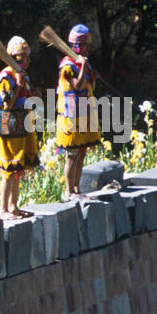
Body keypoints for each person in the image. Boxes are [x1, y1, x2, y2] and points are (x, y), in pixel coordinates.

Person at [0, 36, 39, 219]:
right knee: (9, 168)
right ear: (16, 57)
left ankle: (13, 206)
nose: (29, 60)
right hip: (9, 123)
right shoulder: (6, 77)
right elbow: (7, 105)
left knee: (18, 167)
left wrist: (33, 94)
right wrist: (18, 86)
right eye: (25, 57)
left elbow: (23, 97)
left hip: (21, 122)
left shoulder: (22, 76)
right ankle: (3, 209)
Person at [56, 23, 101, 196]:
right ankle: (69, 191)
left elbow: (89, 87)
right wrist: (82, 67)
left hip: (84, 114)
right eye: (85, 45)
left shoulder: (83, 63)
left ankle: (77, 188)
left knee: (81, 153)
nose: (87, 48)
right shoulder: (67, 65)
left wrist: (93, 77)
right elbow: (78, 85)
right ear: (77, 46)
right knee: (72, 155)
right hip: (71, 117)